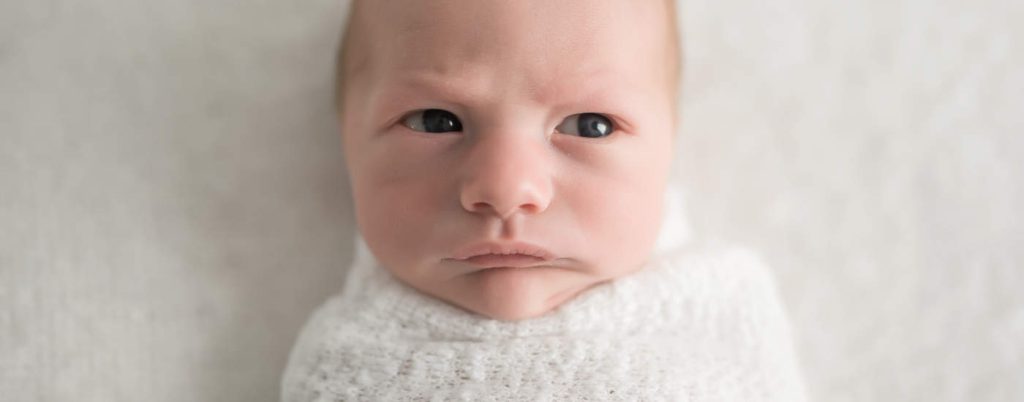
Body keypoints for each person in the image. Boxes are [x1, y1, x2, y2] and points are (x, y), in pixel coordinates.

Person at [281, 0, 808, 399]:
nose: (507, 191)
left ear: (669, 144)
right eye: (436, 121)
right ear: (346, 140)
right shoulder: (342, 366)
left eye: (589, 125)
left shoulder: (717, 327)